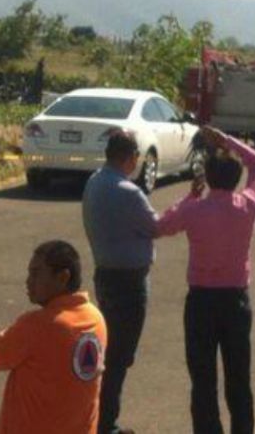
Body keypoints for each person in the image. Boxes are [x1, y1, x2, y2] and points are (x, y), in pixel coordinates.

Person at [155, 126, 255, 434]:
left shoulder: (195, 209)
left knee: (203, 379)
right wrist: (227, 140)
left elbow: (161, 227)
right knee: (239, 377)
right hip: (235, 300)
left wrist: (191, 195)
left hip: (201, 301)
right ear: (235, 178)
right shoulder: (247, 205)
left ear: (208, 176)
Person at [82, 131, 158, 434]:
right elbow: (155, 226)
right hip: (129, 282)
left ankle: (100, 418)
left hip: (105, 274)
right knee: (119, 356)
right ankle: (105, 423)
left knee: (109, 350)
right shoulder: (129, 192)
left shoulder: (95, 181)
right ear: (131, 157)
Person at [0, 240, 107, 434]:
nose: (28, 281)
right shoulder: (95, 318)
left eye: (36, 274)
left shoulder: (37, 324)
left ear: (63, 277)